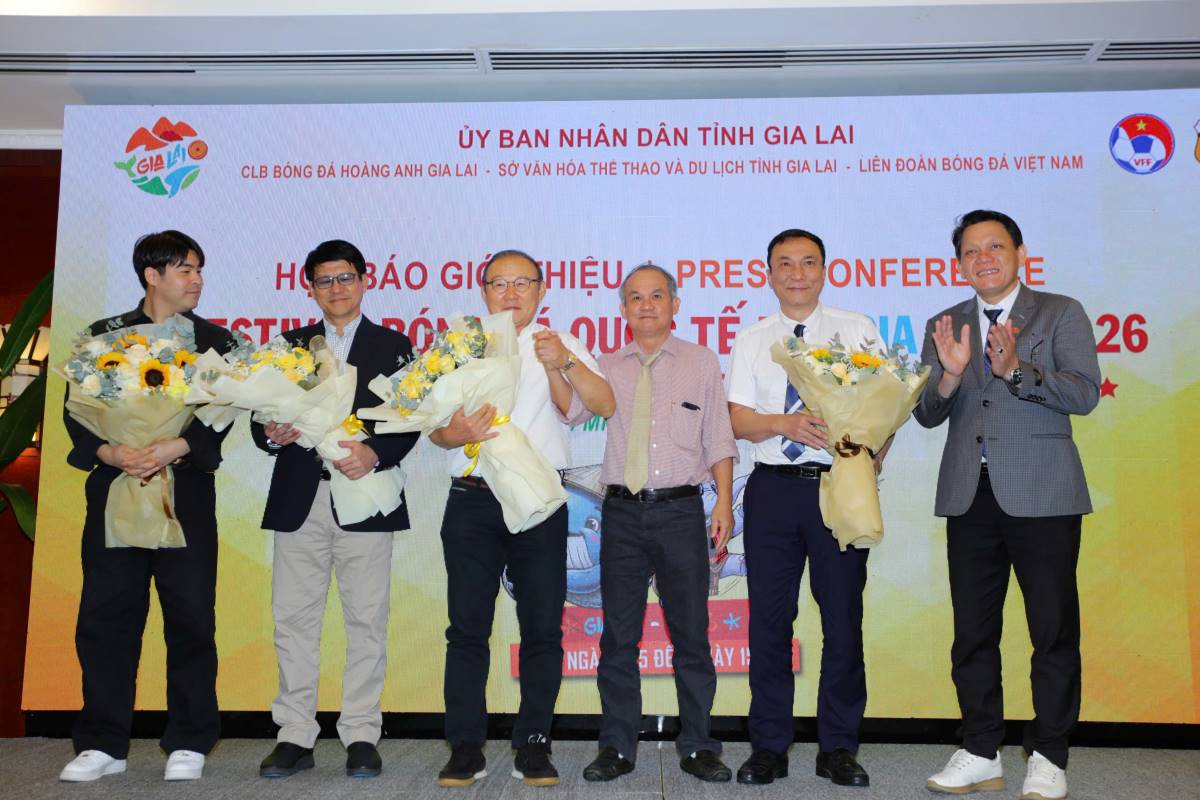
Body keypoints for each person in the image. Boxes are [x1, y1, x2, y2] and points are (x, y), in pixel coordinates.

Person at [916, 210, 1099, 800]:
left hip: (1044, 494)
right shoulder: (944, 323)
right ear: (959, 262)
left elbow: (1084, 393)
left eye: (995, 246)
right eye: (971, 251)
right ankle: (979, 749)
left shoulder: (1059, 312)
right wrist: (948, 376)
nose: (984, 258)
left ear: (1020, 251)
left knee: (1052, 630)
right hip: (970, 495)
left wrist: (1017, 369)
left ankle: (1048, 754)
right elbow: (925, 413)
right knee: (972, 632)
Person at [429, 249, 614, 787]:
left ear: (541, 288)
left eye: (522, 283)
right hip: (472, 498)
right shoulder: (457, 345)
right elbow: (432, 428)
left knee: (541, 629)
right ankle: (464, 746)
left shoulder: (556, 342)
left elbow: (602, 405)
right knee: (465, 630)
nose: (510, 293)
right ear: (482, 290)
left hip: (539, 501)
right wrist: (454, 433)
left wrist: (563, 362)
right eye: (499, 284)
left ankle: (534, 743)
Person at [59, 230, 237, 783]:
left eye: (200, 270)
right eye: (185, 270)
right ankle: (103, 742)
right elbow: (77, 412)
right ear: (151, 275)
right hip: (117, 490)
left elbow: (220, 417)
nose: (197, 280)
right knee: (106, 617)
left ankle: (189, 737)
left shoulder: (216, 342)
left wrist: (175, 445)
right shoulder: (103, 337)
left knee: (190, 616)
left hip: (183, 492)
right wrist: (110, 449)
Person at [253, 239, 418, 779]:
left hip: (365, 497)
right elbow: (261, 422)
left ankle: (362, 733)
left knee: (367, 620)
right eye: (325, 280)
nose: (336, 289)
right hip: (301, 499)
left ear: (365, 281)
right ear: (309, 288)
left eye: (345, 278)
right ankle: (295, 734)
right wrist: (272, 433)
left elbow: (412, 417)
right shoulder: (289, 346)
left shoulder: (394, 344)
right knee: (294, 620)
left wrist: (376, 451)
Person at [726, 229, 883, 788]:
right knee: (769, 623)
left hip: (836, 485)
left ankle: (839, 746)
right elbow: (737, 419)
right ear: (768, 272)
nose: (797, 273)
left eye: (808, 263)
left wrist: (869, 456)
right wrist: (782, 424)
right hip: (772, 490)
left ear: (825, 269)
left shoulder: (855, 329)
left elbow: (884, 405)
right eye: (785, 264)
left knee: (843, 619)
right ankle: (769, 745)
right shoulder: (753, 338)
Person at [582, 262, 738, 784]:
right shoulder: (604, 366)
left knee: (692, 636)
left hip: (680, 512)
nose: (645, 305)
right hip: (621, 513)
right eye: (634, 298)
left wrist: (723, 505)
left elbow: (718, 436)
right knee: (618, 639)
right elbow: (569, 413)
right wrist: (560, 365)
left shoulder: (700, 362)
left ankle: (698, 745)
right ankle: (616, 747)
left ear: (675, 304)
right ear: (622, 309)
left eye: (656, 296)